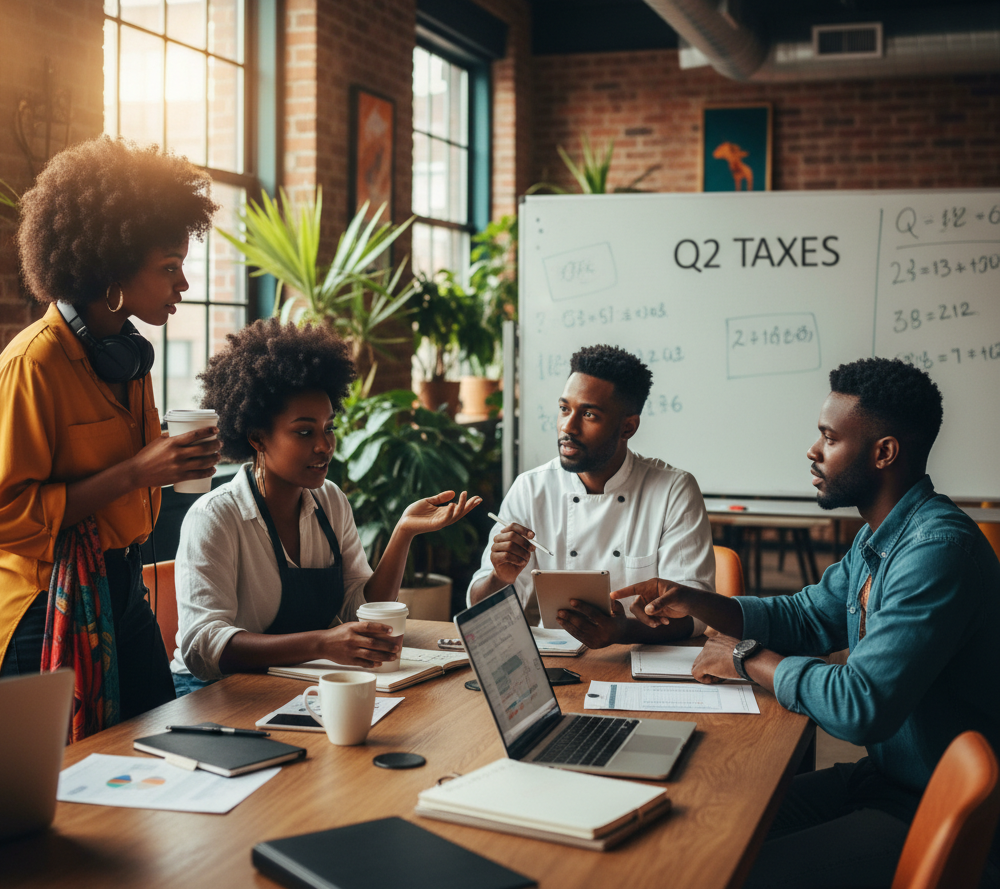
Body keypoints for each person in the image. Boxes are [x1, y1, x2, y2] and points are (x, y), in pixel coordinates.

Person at [614, 357, 1000, 889]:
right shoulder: (882, 535)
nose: (813, 451)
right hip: (887, 781)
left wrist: (747, 659)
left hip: (934, 812)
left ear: (884, 452)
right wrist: (696, 600)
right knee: (707, 818)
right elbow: (807, 615)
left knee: (721, 869)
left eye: (829, 438)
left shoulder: (937, 552)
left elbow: (860, 704)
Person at [0, 137, 222, 730]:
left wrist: (161, 462)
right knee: (57, 799)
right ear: (111, 268)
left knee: (163, 753)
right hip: (42, 607)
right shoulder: (31, 366)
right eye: (168, 268)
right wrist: (139, 472)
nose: (182, 285)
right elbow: (0, 516)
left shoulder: (128, 358)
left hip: (122, 593)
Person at [171, 318, 481, 694]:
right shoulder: (216, 517)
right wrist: (322, 644)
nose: (325, 445)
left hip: (295, 683)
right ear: (257, 438)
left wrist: (404, 532)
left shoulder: (329, 500)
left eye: (329, 428)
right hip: (215, 694)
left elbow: (358, 607)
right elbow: (203, 646)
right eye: (304, 432)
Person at [467, 343, 715, 647]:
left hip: (636, 660)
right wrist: (499, 578)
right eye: (564, 409)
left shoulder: (673, 490)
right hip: (551, 661)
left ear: (628, 427)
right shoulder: (531, 488)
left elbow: (698, 617)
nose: (567, 427)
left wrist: (623, 632)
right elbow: (480, 611)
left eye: (589, 414)